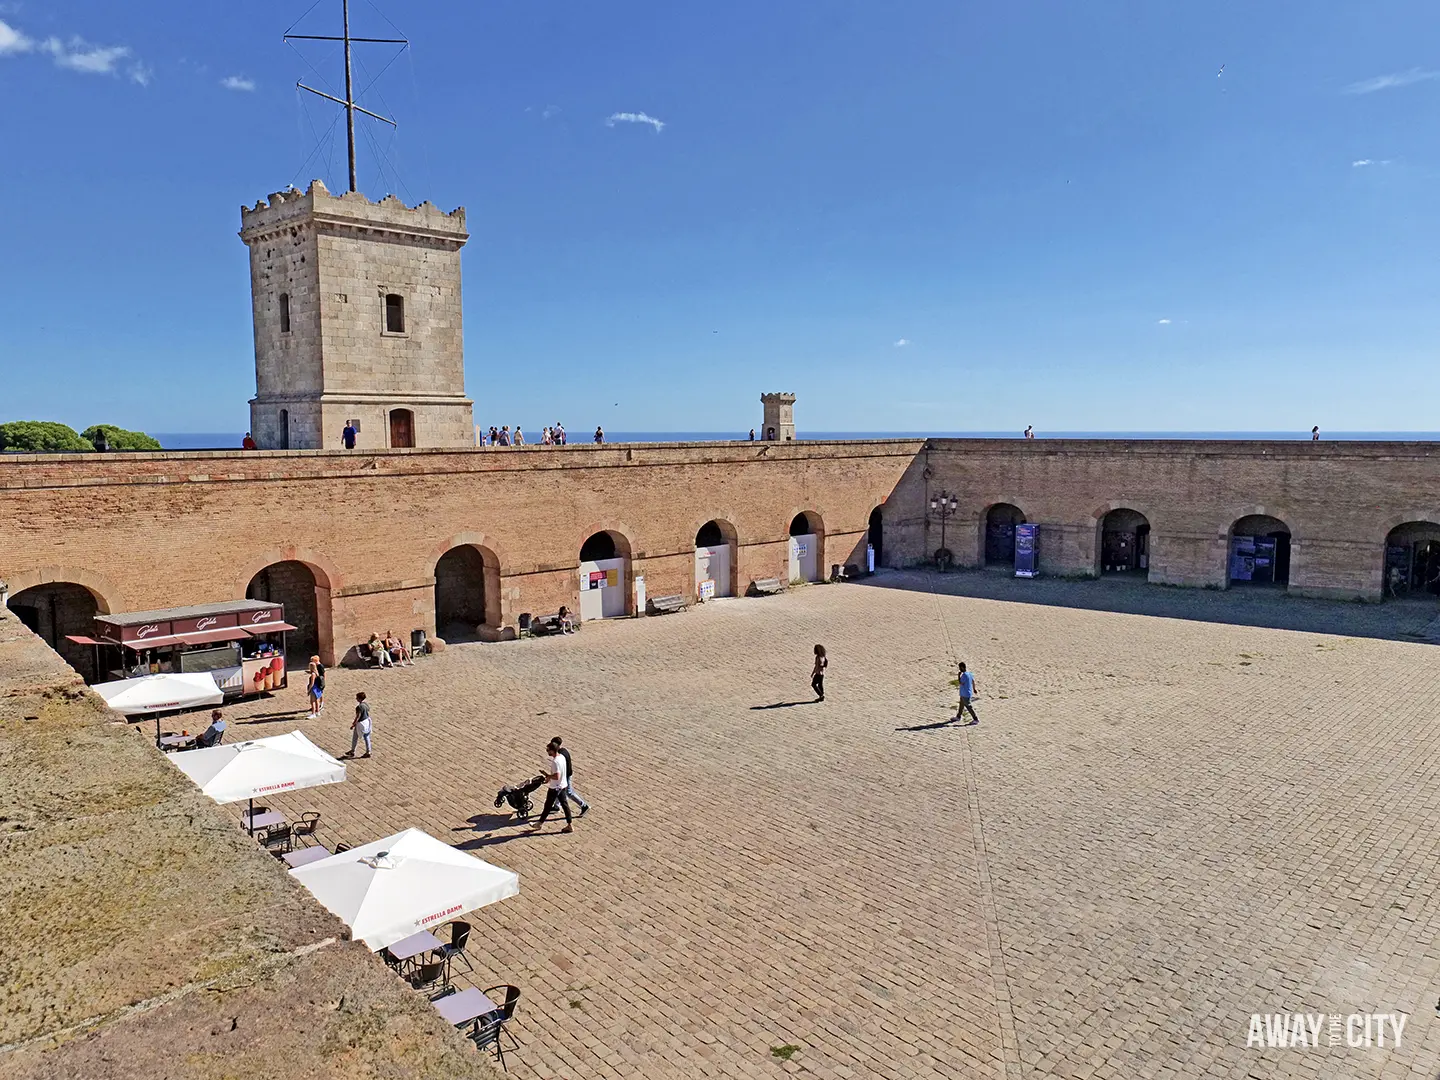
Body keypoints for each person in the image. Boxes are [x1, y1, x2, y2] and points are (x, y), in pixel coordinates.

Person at [530, 740, 574, 832]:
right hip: (563, 785)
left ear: (553, 751)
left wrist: (548, 776)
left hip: (555, 787)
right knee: (565, 805)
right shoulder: (562, 757)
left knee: (547, 806)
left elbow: (557, 776)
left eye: (548, 750)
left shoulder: (555, 761)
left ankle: (539, 823)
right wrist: (549, 777)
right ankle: (569, 824)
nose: (547, 751)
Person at [549, 736, 589, 816]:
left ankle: (584, 805)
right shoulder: (564, 751)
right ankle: (556, 806)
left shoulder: (561, 755)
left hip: (565, 776)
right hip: (566, 774)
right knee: (558, 789)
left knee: (569, 792)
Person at [347, 692, 372, 758]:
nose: (356, 698)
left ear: (360, 698)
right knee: (367, 737)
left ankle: (352, 751)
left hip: (361, 723)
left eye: (357, 697)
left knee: (355, 736)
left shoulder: (359, 707)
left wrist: (353, 724)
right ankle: (368, 751)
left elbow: (358, 716)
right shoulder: (366, 704)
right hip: (367, 721)